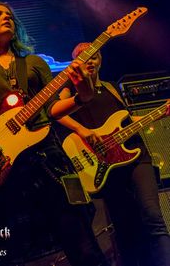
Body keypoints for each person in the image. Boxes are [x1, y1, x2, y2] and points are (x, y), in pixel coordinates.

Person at [0, 2, 109, 266]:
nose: (7, 17)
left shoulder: (34, 62)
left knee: (82, 244)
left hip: (46, 159)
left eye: (9, 15)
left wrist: (82, 97)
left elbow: (51, 109)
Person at [58, 42, 170, 266]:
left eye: (94, 56)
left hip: (135, 156)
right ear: (75, 63)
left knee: (152, 215)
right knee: (125, 225)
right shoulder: (70, 89)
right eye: (84, 56)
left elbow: (126, 121)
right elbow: (57, 114)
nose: (90, 60)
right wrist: (82, 130)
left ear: (100, 60)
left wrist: (160, 113)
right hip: (104, 164)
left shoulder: (110, 87)